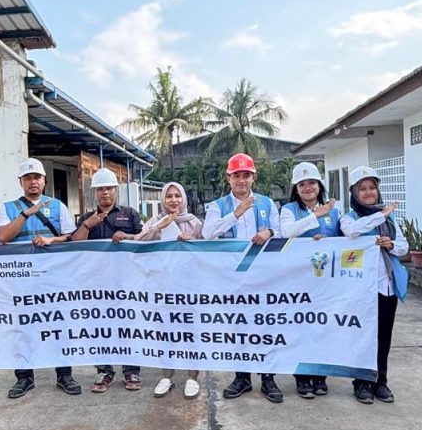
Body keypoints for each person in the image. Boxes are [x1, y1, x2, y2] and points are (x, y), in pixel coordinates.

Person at [0, 157, 81, 398]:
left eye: (37, 178)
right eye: (28, 178)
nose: (33, 182)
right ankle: (24, 377)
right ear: (20, 182)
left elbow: (70, 237)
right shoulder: (9, 208)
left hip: (53, 278)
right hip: (20, 280)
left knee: (58, 326)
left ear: (44, 181)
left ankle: (64, 374)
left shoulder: (57, 207)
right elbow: (3, 237)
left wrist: (52, 240)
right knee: (22, 328)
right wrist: (25, 214)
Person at [203, 153, 283, 404]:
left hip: (263, 275)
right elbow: (208, 234)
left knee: (265, 325)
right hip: (232, 278)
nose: (241, 180)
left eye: (246, 175)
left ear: (253, 177)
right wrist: (235, 214)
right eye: (236, 175)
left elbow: (281, 232)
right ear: (228, 178)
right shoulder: (218, 206)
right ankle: (242, 377)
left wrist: (269, 231)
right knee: (238, 327)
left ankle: (268, 378)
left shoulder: (267, 203)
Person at [340, 166, 409, 405]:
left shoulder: (390, 218)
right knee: (362, 336)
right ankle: (361, 383)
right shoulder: (350, 217)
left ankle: (381, 381)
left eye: (372, 188)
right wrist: (380, 215)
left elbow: (404, 246)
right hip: (362, 289)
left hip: (386, 286)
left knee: (384, 336)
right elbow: (351, 232)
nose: (369, 193)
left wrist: (390, 245)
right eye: (363, 189)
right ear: (354, 193)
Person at [71, 167, 144, 392]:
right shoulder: (86, 217)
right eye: (100, 189)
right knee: (100, 327)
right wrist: (87, 225)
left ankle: (131, 371)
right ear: (95, 193)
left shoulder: (130, 214)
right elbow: (75, 244)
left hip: (126, 282)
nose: (105, 193)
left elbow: (144, 240)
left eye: (109, 188)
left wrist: (129, 236)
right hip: (96, 284)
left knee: (128, 325)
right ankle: (104, 371)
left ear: (116, 190)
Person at [280, 162, 341, 400]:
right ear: (296, 188)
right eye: (302, 184)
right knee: (300, 327)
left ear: (320, 185)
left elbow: (345, 238)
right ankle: (302, 377)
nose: (308, 188)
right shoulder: (288, 210)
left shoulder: (335, 211)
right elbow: (286, 232)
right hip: (298, 281)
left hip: (326, 282)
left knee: (323, 327)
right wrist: (315, 216)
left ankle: (321, 376)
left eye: (312, 183)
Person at [137, 181, 203, 399]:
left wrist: (192, 242)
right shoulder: (155, 221)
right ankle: (167, 375)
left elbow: (207, 250)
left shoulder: (194, 222)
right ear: (163, 200)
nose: (173, 200)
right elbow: (140, 241)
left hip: (189, 287)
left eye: (177, 196)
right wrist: (162, 226)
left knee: (190, 332)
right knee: (165, 332)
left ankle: (192, 377)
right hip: (162, 287)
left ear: (183, 198)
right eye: (169, 196)